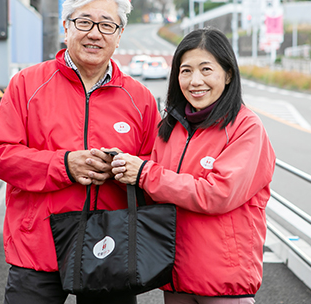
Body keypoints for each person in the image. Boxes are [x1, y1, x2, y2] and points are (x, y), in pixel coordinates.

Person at [0, 0, 161, 304]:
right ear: (66, 27)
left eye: (107, 25)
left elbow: (157, 165)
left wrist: (126, 168)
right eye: (84, 22)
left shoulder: (141, 99)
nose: (95, 33)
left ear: (119, 35)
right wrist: (64, 165)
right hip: (38, 245)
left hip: (111, 244)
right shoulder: (27, 83)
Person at [111, 28, 276, 304]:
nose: (195, 80)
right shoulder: (171, 127)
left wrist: (142, 172)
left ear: (228, 74)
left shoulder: (247, 127)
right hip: (175, 278)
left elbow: (217, 194)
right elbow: (154, 188)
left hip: (223, 284)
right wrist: (119, 169)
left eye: (206, 69)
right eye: (185, 71)